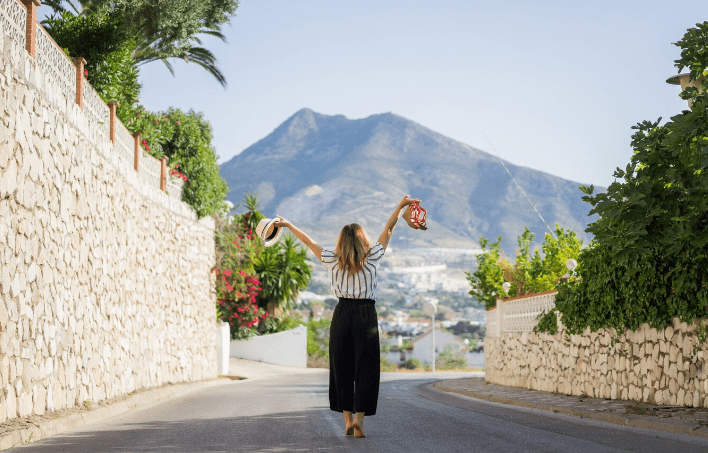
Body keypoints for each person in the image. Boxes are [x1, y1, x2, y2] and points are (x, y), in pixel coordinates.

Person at [272, 195, 420, 438]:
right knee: (366, 367)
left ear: (342, 240)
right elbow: (389, 227)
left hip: (342, 314)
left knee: (341, 367)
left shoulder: (332, 258)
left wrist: (287, 225)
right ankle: (360, 420)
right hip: (366, 314)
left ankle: (347, 421)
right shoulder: (372, 257)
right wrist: (401, 205)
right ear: (363, 240)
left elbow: (308, 241)